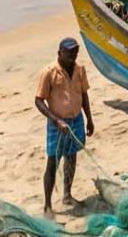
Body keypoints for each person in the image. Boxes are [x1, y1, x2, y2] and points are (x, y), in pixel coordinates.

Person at [36, 38, 94, 214]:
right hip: (57, 124)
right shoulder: (49, 72)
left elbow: (84, 96)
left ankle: (67, 194)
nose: (73, 57)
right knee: (53, 161)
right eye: (69, 53)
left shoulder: (80, 70)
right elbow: (39, 101)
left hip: (76, 120)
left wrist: (89, 119)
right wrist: (55, 120)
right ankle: (47, 205)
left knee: (71, 157)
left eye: (75, 53)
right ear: (60, 53)